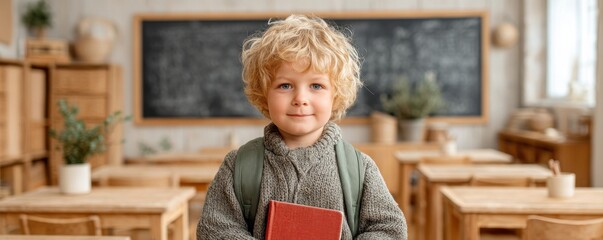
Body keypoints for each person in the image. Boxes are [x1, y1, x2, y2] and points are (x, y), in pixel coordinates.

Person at [197, 14, 407, 239]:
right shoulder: (238, 166)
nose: (300, 98)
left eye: (316, 85)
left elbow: (390, 228)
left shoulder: (360, 169)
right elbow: (214, 229)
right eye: (285, 85)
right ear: (263, 93)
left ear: (335, 95)